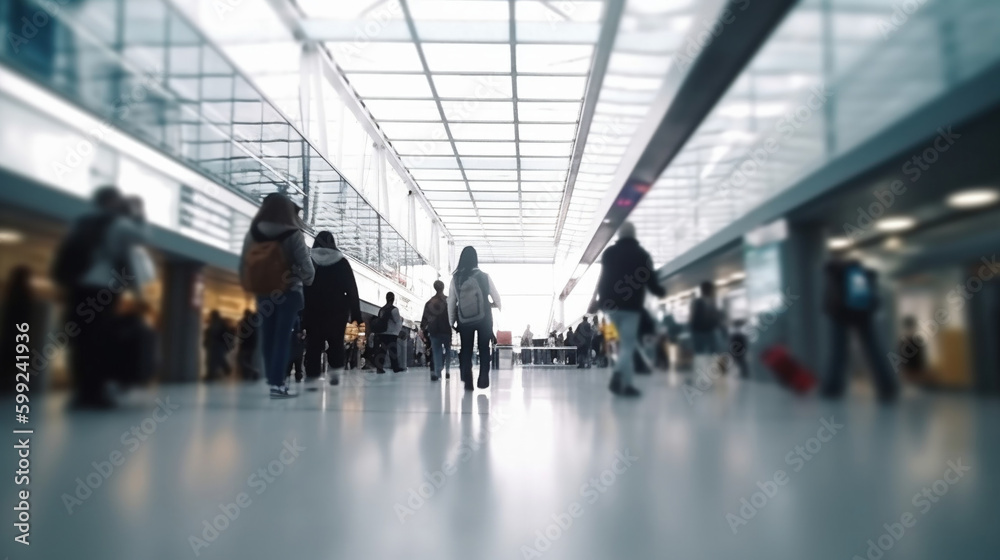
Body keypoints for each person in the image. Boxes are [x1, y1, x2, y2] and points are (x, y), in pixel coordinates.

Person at [51, 186, 149, 408]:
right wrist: (138, 212)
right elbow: (142, 237)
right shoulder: (119, 223)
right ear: (112, 201)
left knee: (80, 339)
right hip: (103, 288)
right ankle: (96, 392)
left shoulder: (81, 220)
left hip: (78, 285)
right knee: (100, 339)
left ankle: (82, 391)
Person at [239, 192, 314, 399]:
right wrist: (297, 276)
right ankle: (277, 384)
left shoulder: (253, 232)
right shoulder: (293, 233)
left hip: (263, 291)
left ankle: (271, 380)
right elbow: (308, 271)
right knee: (282, 337)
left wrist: (250, 285)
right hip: (288, 293)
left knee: (268, 337)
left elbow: (245, 262)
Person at [588, 222, 665, 397]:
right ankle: (618, 378)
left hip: (610, 306)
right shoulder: (642, 255)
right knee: (628, 345)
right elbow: (651, 281)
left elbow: (602, 277)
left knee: (624, 346)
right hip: (631, 307)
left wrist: (594, 300)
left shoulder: (609, 254)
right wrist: (660, 291)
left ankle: (627, 384)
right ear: (634, 235)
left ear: (620, 235)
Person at [820, 257, 898, 402]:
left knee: (839, 352)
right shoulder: (863, 273)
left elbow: (830, 297)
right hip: (863, 313)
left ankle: (833, 389)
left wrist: (828, 308)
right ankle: (887, 387)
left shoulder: (835, 272)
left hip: (841, 314)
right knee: (874, 350)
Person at [302, 231, 361, 386]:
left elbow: (304, 287)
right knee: (336, 342)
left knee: (314, 343)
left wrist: (301, 314)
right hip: (337, 312)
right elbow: (352, 290)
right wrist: (356, 315)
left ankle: (312, 374)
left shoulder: (310, 260)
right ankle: (335, 371)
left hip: (314, 311)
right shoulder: (341, 263)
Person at [448, 246, 501, 391]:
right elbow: (497, 298)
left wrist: (451, 321)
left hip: (464, 320)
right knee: (484, 348)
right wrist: (494, 305)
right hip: (484, 319)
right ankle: (483, 377)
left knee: (466, 349)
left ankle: (468, 381)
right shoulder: (484, 276)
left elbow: (451, 301)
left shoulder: (455, 278)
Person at [2, 267, 34, 394]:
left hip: (10, 334)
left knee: (9, 361)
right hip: (22, 334)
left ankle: (7, 385)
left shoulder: (11, 294)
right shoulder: (26, 294)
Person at [689, 281, 724, 378]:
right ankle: (704, 375)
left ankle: (704, 375)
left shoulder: (706, 302)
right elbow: (693, 319)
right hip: (704, 331)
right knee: (704, 354)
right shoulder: (705, 302)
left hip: (704, 331)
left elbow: (692, 319)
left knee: (704, 354)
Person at [421, 280, 452, 381]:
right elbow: (453, 314)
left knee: (436, 351)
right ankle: (447, 371)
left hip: (434, 330)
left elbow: (425, 318)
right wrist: (455, 324)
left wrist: (423, 328)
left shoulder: (429, 302)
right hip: (446, 329)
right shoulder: (448, 301)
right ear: (443, 288)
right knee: (448, 350)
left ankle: (437, 372)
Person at [373, 292, 404, 373]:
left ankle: (379, 368)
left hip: (382, 332)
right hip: (391, 333)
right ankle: (395, 368)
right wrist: (401, 319)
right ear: (393, 299)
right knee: (393, 351)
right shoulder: (394, 309)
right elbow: (397, 320)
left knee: (382, 351)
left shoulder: (382, 309)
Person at [204, 310, 233, 381]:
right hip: (214, 344)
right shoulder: (214, 323)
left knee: (216, 358)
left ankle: (213, 373)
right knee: (213, 359)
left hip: (218, 344)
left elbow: (225, 334)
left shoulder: (219, 324)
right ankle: (211, 374)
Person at [236, 309, 261, 380]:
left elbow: (242, 334)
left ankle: (254, 372)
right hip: (251, 344)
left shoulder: (245, 322)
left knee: (242, 360)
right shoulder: (253, 322)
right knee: (247, 360)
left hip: (245, 344)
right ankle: (248, 374)